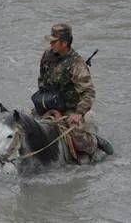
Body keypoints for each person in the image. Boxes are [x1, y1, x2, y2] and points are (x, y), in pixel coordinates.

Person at [35, 23, 112, 161]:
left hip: (69, 109)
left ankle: (94, 142)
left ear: (64, 43)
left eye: (54, 41)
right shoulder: (47, 55)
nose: (50, 44)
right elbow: (41, 80)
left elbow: (88, 92)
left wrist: (78, 113)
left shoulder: (77, 64)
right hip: (48, 105)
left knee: (78, 137)